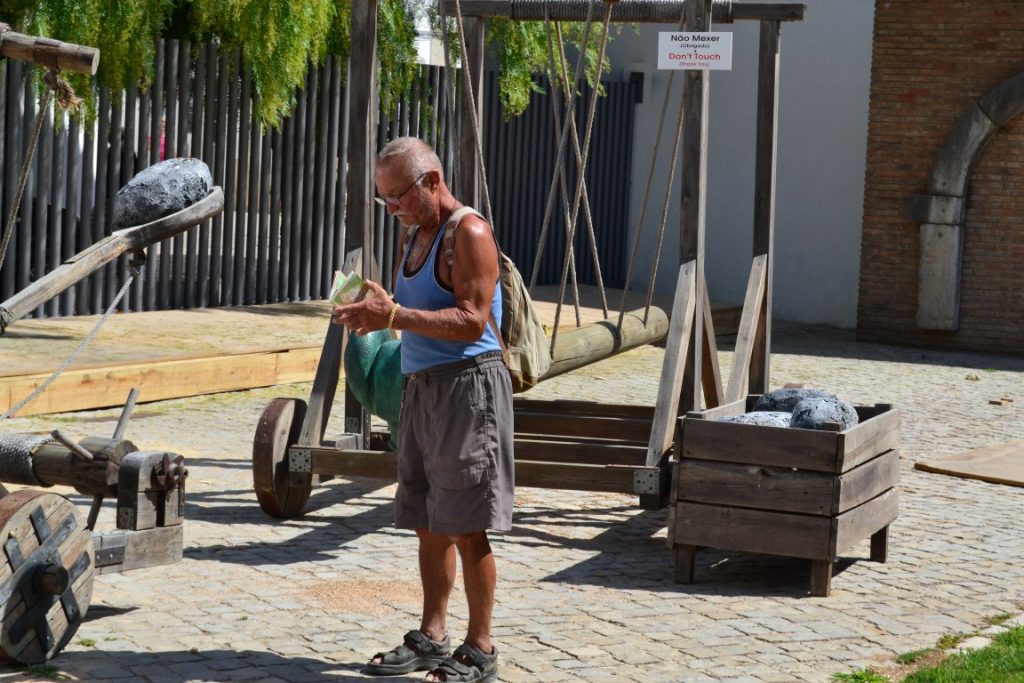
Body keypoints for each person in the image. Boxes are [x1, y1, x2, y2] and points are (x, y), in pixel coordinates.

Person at [333, 137, 513, 683]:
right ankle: (432, 637)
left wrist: (395, 317)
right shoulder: (417, 234)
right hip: (423, 388)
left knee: (465, 524)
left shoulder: (470, 233)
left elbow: (473, 321)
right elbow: (411, 311)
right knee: (428, 521)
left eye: (397, 196)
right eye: (383, 199)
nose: (391, 209)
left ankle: (479, 648)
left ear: (432, 180)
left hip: (468, 388)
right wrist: (378, 311)